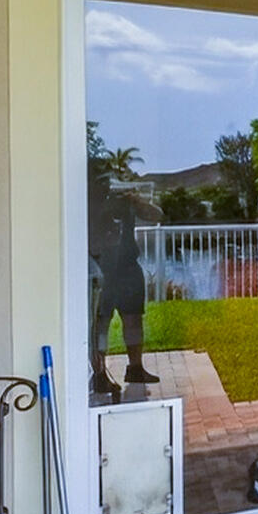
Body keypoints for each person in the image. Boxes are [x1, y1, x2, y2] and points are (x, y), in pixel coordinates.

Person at [88, 168, 157, 401]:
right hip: (103, 269)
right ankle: (99, 374)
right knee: (101, 323)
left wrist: (136, 201)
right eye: (103, 183)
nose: (108, 188)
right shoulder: (90, 204)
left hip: (128, 268)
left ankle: (135, 368)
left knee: (134, 320)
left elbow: (157, 215)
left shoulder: (125, 203)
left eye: (109, 183)